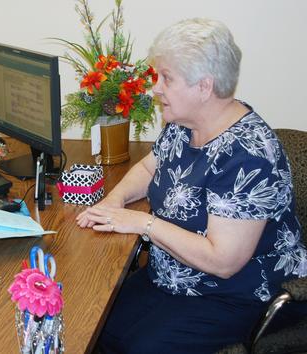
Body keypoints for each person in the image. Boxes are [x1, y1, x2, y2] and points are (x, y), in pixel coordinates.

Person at [77, 18, 307, 353]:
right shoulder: (184, 124)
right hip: (173, 274)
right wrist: (114, 202)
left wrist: (143, 223)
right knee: (94, 321)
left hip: (236, 293)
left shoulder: (247, 155)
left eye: (167, 78)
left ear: (204, 87)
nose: (156, 88)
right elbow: (147, 167)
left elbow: (223, 261)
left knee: (141, 347)